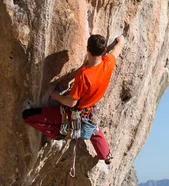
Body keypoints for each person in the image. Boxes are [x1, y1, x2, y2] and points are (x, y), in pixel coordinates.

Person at [22, 34, 125, 164]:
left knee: (28, 116)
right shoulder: (108, 63)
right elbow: (117, 49)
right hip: (89, 110)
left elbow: (71, 102)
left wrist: (56, 96)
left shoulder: (85, 75)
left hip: (74, 112)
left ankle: (59, 134)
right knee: (93, 129)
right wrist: (120, 40)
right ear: (104, 51)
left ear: (87, 49)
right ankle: (106, 155)